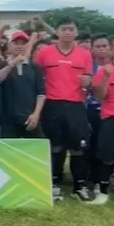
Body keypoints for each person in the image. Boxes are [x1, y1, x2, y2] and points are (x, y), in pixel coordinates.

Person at [34, 17, 93, 202]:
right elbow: (36, 78)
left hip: (76, 105)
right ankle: (54, 183)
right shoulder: (45, 53)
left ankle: (79, 186)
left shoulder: (84, 54)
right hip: (52, 104)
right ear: (57, 32)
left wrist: (88, 81)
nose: (68, 32)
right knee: (55, 146)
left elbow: (88, 79)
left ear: (76, 32)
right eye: (64, 29)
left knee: (78, 147)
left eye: (71, 29)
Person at [0, 31, 45, 138]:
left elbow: (41, 93)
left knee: (36, 147)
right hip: (7, 120)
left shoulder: (34, 67)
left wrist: (36, 114)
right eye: (16, 43)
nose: (19, 46)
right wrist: (12, 64)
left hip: (30, 118)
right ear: (9, 46)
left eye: (23, 43)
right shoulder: (1, 65)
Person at [89, 39, 114, 205]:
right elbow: (99, 97)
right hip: (111, 118)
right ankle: (102, 191)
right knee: (107, 155)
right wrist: (107, 77)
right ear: (112, 51)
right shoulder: (103, 71)